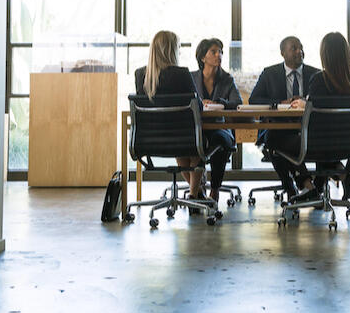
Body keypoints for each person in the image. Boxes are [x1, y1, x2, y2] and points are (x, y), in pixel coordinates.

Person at [134, 30, 207, 201]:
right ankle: (194, 194)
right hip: (183, 138)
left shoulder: (141, 75)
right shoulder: (181, 74)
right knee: (197, 143)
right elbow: (199, 107)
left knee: (182, 146)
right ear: (171, 50)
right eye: (178, 48)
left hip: (152, 140)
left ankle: (195, 193)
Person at [292, 31, 350, 200]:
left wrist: (306, 104)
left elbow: (316, 115)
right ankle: (340, 176)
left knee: (277, 139)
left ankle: (311, 187)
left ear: (324, 54)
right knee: (326, 142)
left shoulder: (319, 79)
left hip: (322, 142)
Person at [248, 35, 319, 199]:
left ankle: (301, 187)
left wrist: (304, 102)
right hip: (278, 127)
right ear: (283, 53)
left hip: (308, 130)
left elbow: (321, 102)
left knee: (274, 145)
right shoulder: (270, 74)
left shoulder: (315, 74)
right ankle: (303, 186)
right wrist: (281, 102)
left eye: (301, 47)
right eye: (294, 48)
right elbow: (254, 100)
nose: (299, 51)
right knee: (273, 138)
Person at [191, 37, 242, 203]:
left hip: (221, 128)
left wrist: (219, 103)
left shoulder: (226, 79)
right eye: (213, 52)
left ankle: (215, 188)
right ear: (202, 57)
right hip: (197, 129)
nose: (218, 55)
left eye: (220, 52)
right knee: (199, 141)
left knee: (219, 140)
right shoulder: (191, 78)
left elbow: (237, 103)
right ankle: (197, 188)